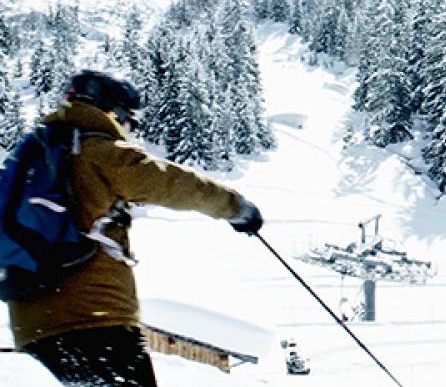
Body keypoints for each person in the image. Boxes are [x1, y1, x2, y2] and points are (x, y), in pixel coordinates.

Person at [8, 70, 263, 387]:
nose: (131, 131)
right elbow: (172, 182)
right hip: (93, 319)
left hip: (31, 323)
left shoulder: (38, 154)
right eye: (132, 122)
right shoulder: (99, 152)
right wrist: (236, 208)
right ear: (113, 112)